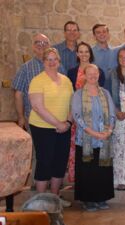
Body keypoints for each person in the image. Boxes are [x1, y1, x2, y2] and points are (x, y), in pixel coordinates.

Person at [12, 34, 66, 187]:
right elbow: (18, 93)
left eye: (45, 42)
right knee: (40, 157)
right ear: (33, 46)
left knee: (56, 157)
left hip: (58, 122)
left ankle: (53, 194)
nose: (41, 45)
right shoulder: (26, 67)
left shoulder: (60, 68)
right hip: (36, 121)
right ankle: (38, 192)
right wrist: (21, 117)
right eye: (38, 42)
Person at [28, 48, 73, 205]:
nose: (52, 62)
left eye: (55, 59)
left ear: (59, 62)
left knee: (60, 162)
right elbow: (37, 107)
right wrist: (58, 124)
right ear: (44, 61)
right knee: (44, 162)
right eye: (49, 59)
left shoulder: (66, 80)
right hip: (42, 128)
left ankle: (55, 199)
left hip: (64, 128)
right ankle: (40, 201)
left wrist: (67, 122)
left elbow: (71, 104)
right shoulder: (37, 81)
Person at [71, 64, 115, 212]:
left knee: (102, 170)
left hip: (104, 139)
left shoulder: (106, 93)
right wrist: (94, 133)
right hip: (86, 140)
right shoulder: (78, 94)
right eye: (89, 73)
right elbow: (77, 117)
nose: (93, 76)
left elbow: (112, 114)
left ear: (98, 75)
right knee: (88, 170)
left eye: (95, 73)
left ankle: (101, 197)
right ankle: (88, 200)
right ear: (84, 75)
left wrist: (109, 130)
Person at [66, 41, 106, 183]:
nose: (84, 54)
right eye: (81, 51)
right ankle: (77, 180)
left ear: (90, 54)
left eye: (86, 51)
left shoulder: (98, 71)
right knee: (76, 149)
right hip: (78, 117)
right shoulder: (71, 72)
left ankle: (92, 181)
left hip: (95, 118)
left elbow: (102, 95)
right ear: (77, 54)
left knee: (93, 150)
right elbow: (70, 95)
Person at [107, 47, 125, 191]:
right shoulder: (112, 74)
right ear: (117, 59)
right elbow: (108, 95)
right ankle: (121, 180)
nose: (124, 59)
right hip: (117, 117)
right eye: (121, 57)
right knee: (119, 149)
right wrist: (116, 111)